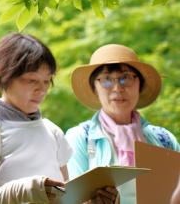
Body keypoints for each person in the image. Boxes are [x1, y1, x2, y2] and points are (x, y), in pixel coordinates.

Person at [0, 33, 116, 204]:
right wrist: (22, 191)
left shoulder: (53, 131)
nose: (41, 89)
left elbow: (66, 200)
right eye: (31, 80)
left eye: (46, 81)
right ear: (4, 76)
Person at [66, 44, 180, 204]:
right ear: (94, 87)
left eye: (125, 78)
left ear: (139, 84)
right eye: (106, 79)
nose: (117, 88)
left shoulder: (164, 139)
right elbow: (72, 200)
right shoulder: (81, 138)